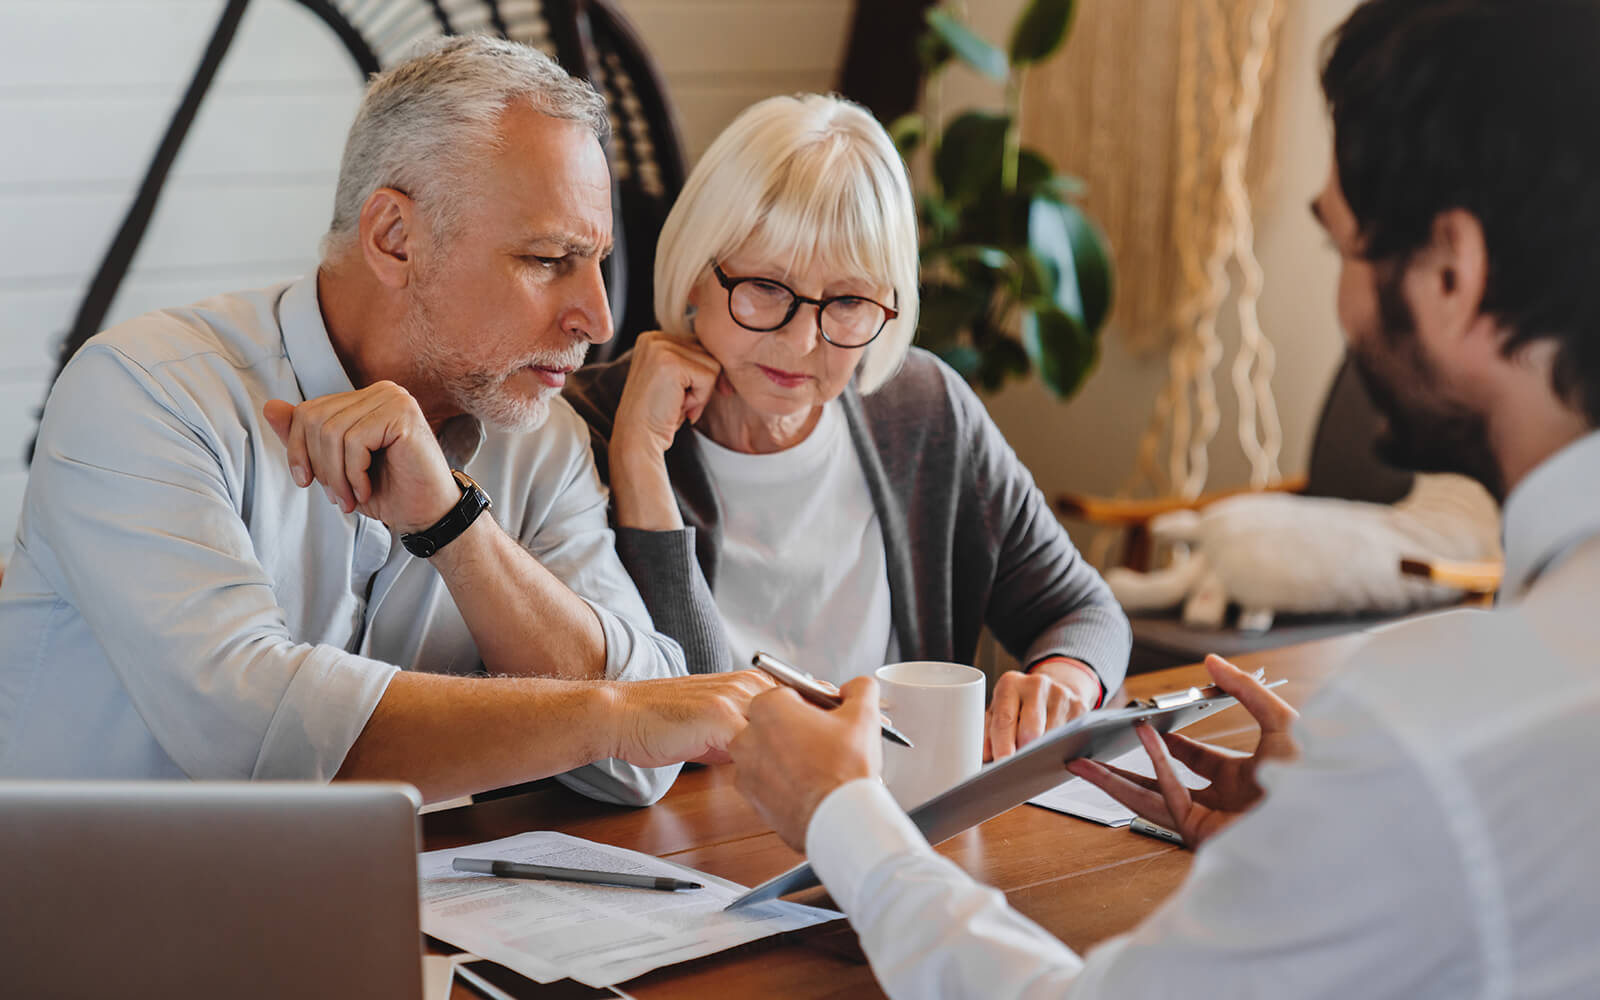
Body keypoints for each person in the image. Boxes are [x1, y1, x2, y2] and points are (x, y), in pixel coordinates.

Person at [727, 0, 1600, 994]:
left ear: (1452, 269)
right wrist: (1317, 847)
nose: (1344, 304)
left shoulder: (1439, 732)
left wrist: (845, 819)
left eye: (1342, 248)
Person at [0, 36, 771, 806]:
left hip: (396, 911)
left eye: (595, 260)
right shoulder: (144, 393)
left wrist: (456, 528)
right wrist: (606, 714)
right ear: (394, 238)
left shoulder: (543, 438)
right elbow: (254, 738)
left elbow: (643, 764)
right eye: (547, 259)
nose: (597, 319)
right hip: (86, 915)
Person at [564, 94, 1130, 761]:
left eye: (850, 301)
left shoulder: (920, 408)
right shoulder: (588, 427)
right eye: (767, 287)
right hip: (688, 843)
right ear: (695, 272)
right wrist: (638, 464)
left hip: (890, 826)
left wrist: (1063, 680)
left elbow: (1084, 612)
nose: (803, 340)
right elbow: (673, 717)